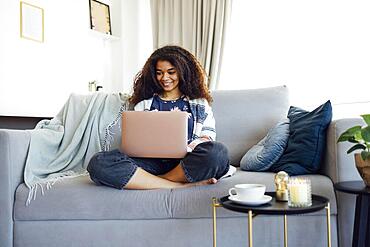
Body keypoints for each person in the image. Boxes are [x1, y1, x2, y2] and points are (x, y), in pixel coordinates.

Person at [87, 45, 230, 190]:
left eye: (171, 72)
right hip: (151, 163)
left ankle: (152, 181)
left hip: (185, 163)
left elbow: (207, 137)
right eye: (159, 73)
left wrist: (187, 148)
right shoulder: (144, 104)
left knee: (217, 152)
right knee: (99, 162)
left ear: (183, 72)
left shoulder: (199, 103)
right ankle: (177, 185)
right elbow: (135, 142)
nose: (164, 78)